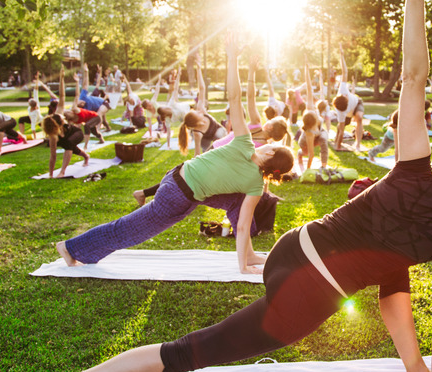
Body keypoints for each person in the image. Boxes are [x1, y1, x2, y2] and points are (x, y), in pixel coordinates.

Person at [49, 8, 432, 372]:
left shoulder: (415, 169)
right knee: (197, 351)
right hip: (307, 296)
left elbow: (415, 75)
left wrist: (414, 4)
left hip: (293, 250)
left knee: (390, 266)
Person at [57, 33, 294, 274]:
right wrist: (242, 269)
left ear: (272, 150)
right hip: (178, 195)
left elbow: (235, 97)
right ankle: (70, 248)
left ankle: (250, 254)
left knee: (235, 200)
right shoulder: (255, 183)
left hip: (180, 178)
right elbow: (243, 227)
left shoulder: (244, 144)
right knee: (131, 230)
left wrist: (232, 58)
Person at [43, 66, 90, 178]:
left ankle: (62, 172)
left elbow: (62, 96)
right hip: (66, 139)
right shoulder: (53, 137)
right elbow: (53, 156)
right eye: (62, 121)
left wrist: (61, 78)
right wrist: (50, 174)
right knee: (71, 147)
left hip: (77, 133)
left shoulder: (58, 114)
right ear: (56, 127)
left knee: (69, 144)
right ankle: (86, 156)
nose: (65, 119)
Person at [177, 59, 226, 155]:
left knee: (221, 135)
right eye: (197, 113)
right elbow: (197, 154)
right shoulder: (197, 133)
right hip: (206, 139)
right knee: (206, 154)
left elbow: (202, 89)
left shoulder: (201, 109)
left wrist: (199, 70)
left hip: (217, 131)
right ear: (197, 122)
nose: (199, 112)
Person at [296, 56, 329, 170]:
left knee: (324, 140)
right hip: (305, 142)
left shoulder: (311, 109)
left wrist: (307, 69)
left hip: (319, 133)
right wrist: (308, 171)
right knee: (304, 152)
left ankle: (323, 166)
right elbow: (311, 155)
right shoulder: (309, 133)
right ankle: (299, 154)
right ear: (314, 122)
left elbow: (309, 88)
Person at [332, 45, 365, 152]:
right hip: (348, 114)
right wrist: (338, 147)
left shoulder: (342, 89)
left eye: (345, 96)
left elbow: (344, 72)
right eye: (346, 98)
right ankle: (336, 141)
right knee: (340, 127)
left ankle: (358, 144)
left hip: (357, 104)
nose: (346, 95)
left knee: (359, 118)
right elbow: (342, 131)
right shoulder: (341, 112)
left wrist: (342, 56)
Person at [65, 71, 105, 151]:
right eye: (67, 113)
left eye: (68, 111)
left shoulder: (75, 109)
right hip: (90, 120)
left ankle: (85, 146)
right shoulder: (72, 120)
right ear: (68, 117)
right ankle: (101, 139)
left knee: (86, 126)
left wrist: (77, 82)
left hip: (96, 117)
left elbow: (77, 94)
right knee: (94, 132)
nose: (69, 112)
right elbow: (70, 129)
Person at [76, 64, 112, 132]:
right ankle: (108, 128)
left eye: (81, 102)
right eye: (81, 104)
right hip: (97, 107)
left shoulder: (83, 96)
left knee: (99, 114)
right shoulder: (84, 108)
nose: (83, 103)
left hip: (103, 104)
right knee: (103, 120)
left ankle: (97, 130)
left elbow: (86, 84)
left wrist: (86, 72)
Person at [18, 74, 44, 140]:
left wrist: (35, 137)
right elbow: (36, 92)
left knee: (45, 127)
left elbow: (33, 125)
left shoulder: (35, 113)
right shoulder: (35, 103)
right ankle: (22, 134)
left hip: (38, 120)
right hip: (31, 118)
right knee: (21, 119)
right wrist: (37, 80)